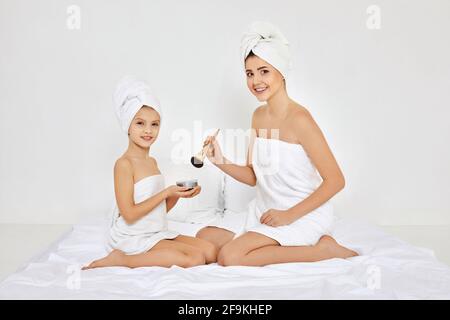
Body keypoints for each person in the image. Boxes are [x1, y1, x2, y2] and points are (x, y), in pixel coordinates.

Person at [196, 22, 358, 266]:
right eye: (249, 73)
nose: (256, 81)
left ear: (281, 72)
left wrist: (288, 216)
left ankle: (324, 251)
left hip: (302, 215)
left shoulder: (300, 119)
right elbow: (254, 176)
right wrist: (220, 161)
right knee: (204, 236)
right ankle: (262, 239)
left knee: (230, 256)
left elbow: (336, 180)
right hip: (266, 210)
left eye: (264, 71)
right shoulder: (258, 117)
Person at [83, 76, 216, 269]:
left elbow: (157, 211)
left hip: (156, 231)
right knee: (194, 259)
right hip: (133, 236)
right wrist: (166, 192)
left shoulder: (151, 162)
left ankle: (158, 250)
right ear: (127, 125)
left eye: (154, 124)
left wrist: (178, 195)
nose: (148, 131)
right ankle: (122, 260)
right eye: (140, 123)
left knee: (210, 252)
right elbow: (129, 214)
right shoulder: (124, 164)